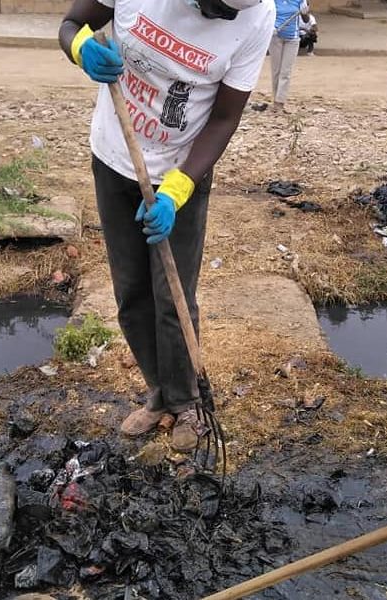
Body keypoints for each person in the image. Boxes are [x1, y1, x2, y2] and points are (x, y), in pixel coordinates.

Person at [58, 0, 274, 451]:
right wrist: (80, 48)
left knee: (173, 297)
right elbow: (72, 23)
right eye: (218, 6)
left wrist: (179, 188)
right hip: (115, 155)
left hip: (181, 169)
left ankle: (188, 402)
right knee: (132, 292)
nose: (225, 18)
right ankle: (158, 392)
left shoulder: (258, 14)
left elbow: (225, 117)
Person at [269, 0, 309, 111]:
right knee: (276, 70)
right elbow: (266, 14)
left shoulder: (300, 0)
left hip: (292, 39)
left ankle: (280, 102)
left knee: (285, 72)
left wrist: (304, 12)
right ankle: (275, 99)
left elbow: (307, 20)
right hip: (275, 36)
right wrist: (269, 27)